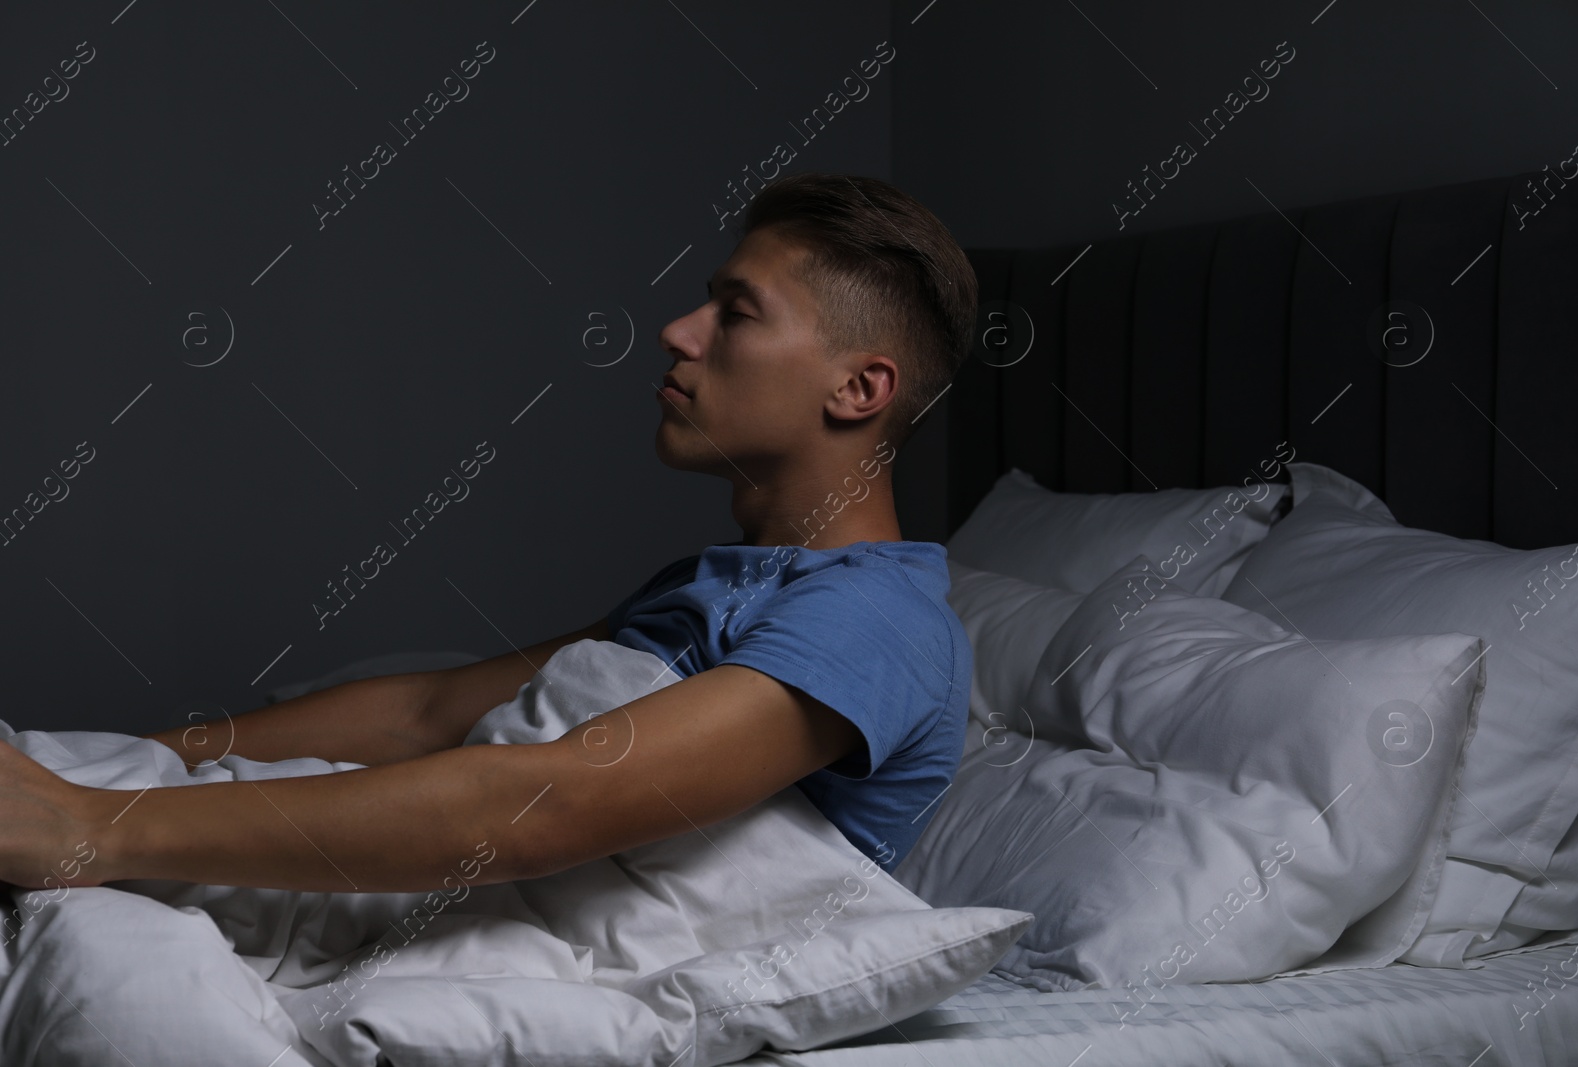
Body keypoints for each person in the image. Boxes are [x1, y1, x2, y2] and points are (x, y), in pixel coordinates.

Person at [0, 172, 978, 894]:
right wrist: (121, 761)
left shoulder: (877, 618)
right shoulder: (714, 585)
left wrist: (95, 825)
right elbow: (426, 712)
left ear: (858, 388)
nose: (678, 332)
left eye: (734, 313)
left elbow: (542, 803)